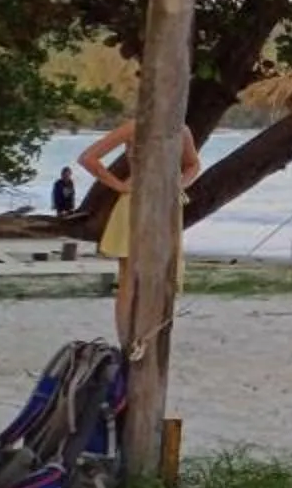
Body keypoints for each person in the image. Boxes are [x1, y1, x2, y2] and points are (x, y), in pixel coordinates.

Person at [79, 117, 202, 343]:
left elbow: (193, 163)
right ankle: (127, 340)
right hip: (136, 201)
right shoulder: (134, 126)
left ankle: (154, 335)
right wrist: (120, 186)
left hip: (167, 203)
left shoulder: (181, 129)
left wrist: (180, 184)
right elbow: (88, 158)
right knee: (130, 275)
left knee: (164, 270)